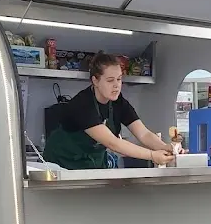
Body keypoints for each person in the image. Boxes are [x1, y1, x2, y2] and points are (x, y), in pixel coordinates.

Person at [43, 52, 172, 169]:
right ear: (95, 81)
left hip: (92, 164)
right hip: (62, 164)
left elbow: (144, 134)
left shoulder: (118, 102)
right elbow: (113, 143)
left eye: (119, 79)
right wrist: (152, 155)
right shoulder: (82, 105)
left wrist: (166, 147)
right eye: (110, 80)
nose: (116, 85)